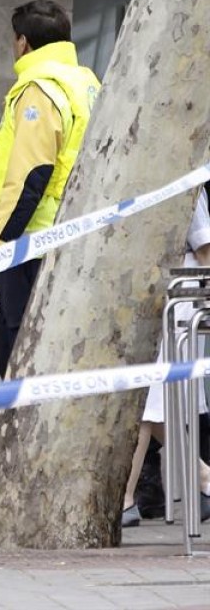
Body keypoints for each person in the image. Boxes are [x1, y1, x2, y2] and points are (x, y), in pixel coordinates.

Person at [0, 0, 101, 378]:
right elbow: (48, 152)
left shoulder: (38, 88)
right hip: (71, 235)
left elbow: (33, 172)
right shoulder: (85, 82)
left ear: (22, 43)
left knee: (19, 357)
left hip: (32, 243)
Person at [122, 189, 210, 527]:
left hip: (176, 300)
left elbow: (204, 249)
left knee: (145, 401)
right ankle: (203, 476)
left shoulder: (187, 183)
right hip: (144, 296)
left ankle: (125, 499)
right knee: (153, 406)